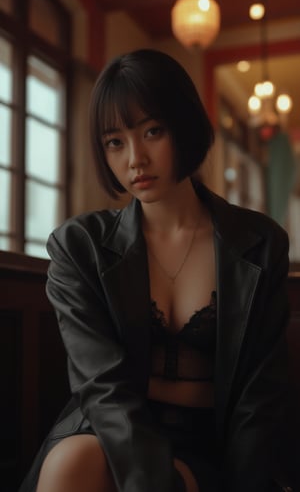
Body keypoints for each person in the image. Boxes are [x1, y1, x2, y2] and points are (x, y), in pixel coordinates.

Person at [19, 49, 294, 492]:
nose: (135, 159)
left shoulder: (260, 243)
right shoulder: (79, 247)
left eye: (152, 131)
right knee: (71, 463)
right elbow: (101, 387)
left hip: (211, 442)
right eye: (115, 142)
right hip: (111, 429)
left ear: (183, 127)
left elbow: (260, 395)